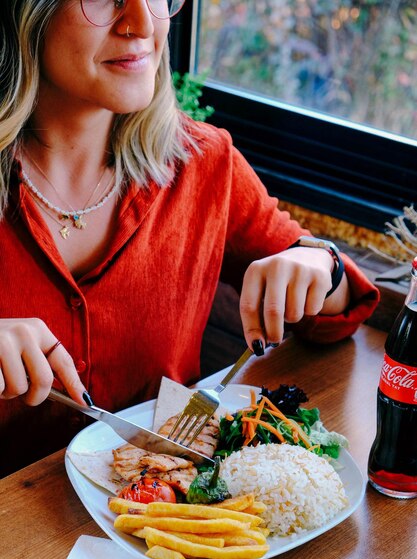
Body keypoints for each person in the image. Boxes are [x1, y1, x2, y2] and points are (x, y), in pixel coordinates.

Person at [0, 0, 379, 477]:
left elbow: (339, 309)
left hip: (154, 525)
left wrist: (318, 265)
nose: (144, 23)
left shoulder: (203, 162)